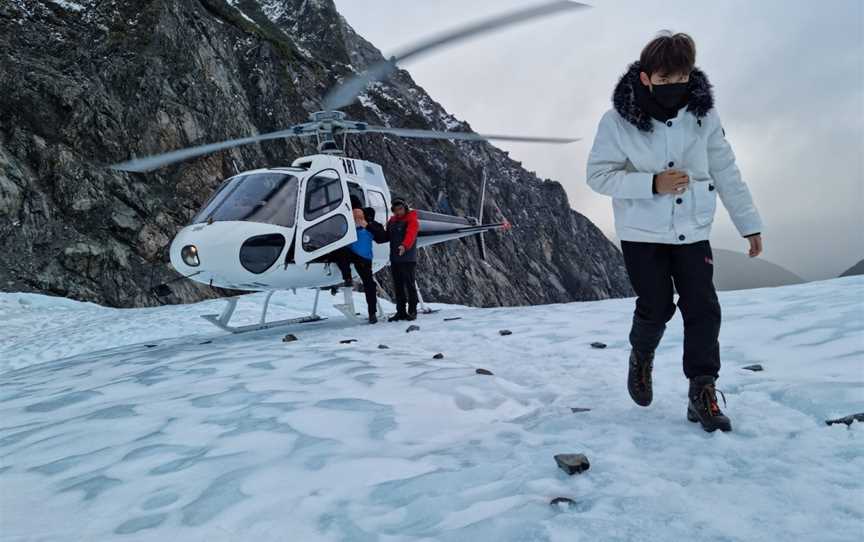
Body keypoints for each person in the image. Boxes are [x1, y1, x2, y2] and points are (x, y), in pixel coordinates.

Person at [586, 31, 763, 433]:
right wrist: (651, 184)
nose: (673, 88)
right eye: (664, 81)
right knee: (657, 305)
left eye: (679, 79)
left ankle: (702, 390)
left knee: (703, 307)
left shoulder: (704, 115)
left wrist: (748, 223)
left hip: (692, 229)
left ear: (690, 74)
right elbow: (597, 176)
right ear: (646, 78)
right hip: (642, 233)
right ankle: (641, 356)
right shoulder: (617, 121)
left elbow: (725, 169)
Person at [335, 208, 379, 324]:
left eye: (359, 216)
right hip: (351, 254)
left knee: (369, 283)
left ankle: (372, 313)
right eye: (354, 216)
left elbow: (380, 236)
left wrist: (367, 225)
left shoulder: (369, 227)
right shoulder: (346, 227)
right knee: (341, 251)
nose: (357, 219)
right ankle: (347, 278)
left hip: (364, 258)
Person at [386, 198, 420, 322]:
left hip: (407, 259)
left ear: (405, 207)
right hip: (395, 259)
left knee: (410, 285)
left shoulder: (411, 219)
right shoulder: (392, 221)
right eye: (395, 210)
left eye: (400, 209)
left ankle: (412, 311)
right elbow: (386, 236)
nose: (398, 212)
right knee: (398, 286)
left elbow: (411, 234)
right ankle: (400, 312)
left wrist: (404, 246)